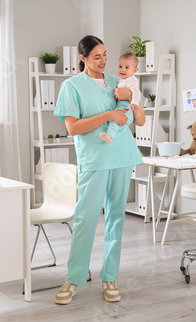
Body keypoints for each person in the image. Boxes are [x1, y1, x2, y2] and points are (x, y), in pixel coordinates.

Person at [53, 35, 145, 305]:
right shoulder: (71, 86)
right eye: (96, 56)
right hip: (94, 158)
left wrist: (136, 106)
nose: (104, 61)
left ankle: (110, 276)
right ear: (82, 58)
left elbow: (137, 116)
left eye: (105, 54)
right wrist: (108, 115)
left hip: (122, 155)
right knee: (85, 218)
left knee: (117, 217)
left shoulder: (119, 81)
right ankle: (73, 278)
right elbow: (72, 128)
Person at [99, 52, 141, 144]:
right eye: (120, 66)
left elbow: (136, 92)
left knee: (114, 121)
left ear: (135, 70)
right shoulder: (124, 80)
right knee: (115, 121)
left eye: (127, 67)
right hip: (123, 106)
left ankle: (110, 136)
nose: (123, 70)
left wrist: (134, 102)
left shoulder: (130, 80)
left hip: (125, 108)